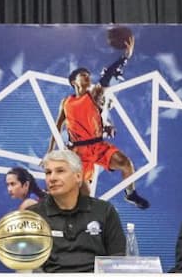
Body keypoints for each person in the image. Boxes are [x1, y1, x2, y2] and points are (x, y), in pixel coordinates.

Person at [46, 34, 149, 209]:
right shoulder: (66, 102)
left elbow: (107, 77)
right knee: (85, 200)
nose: (88, 77)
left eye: (88, 75)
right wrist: (49, 152)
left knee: (126, 164)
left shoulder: (93, 95)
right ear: (73, 81)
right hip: (79, 152)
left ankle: (130, 194)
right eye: (83, 75)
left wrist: (124, 58)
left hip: (98, 145)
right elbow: (57, 126)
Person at [35, 150, 125, 272]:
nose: (52, 178)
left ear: (78, 176)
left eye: (60, 171)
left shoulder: (104, 210)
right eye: (48, 172)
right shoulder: (34, 215)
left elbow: (118, 259)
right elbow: (28, 265)